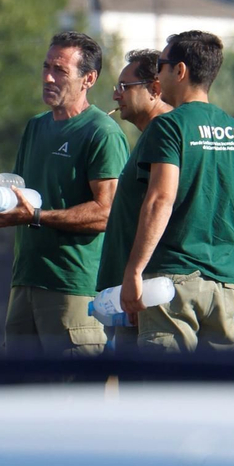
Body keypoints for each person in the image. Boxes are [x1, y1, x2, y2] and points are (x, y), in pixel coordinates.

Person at [0, 32, 128, 358]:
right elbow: (24, 194)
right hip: (25, 283)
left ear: (88, 79)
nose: (48, 77)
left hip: (72, 289)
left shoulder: (101, 133)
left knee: (72, 399)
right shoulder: (36, 127)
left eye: (61, 70)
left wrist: (37, 218)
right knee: (20, 397)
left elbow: (107, 213)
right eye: (46, 66)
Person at [119, 31, 234, 352]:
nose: (157, 75)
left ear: (180, 71)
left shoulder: (168, 126)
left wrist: (134, 271)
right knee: (215, 395)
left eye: (162, 66)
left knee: (167, 394)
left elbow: (160, 200)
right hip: (226, 284)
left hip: (173, 284)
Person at [96, 49, 172, 352]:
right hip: (135, 293)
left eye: (124, 87)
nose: (116, 95)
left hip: (148, 292)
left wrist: (138, 279)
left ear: (155, 89)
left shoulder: (166, 133)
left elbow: (163, 209)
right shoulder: (152, 134)